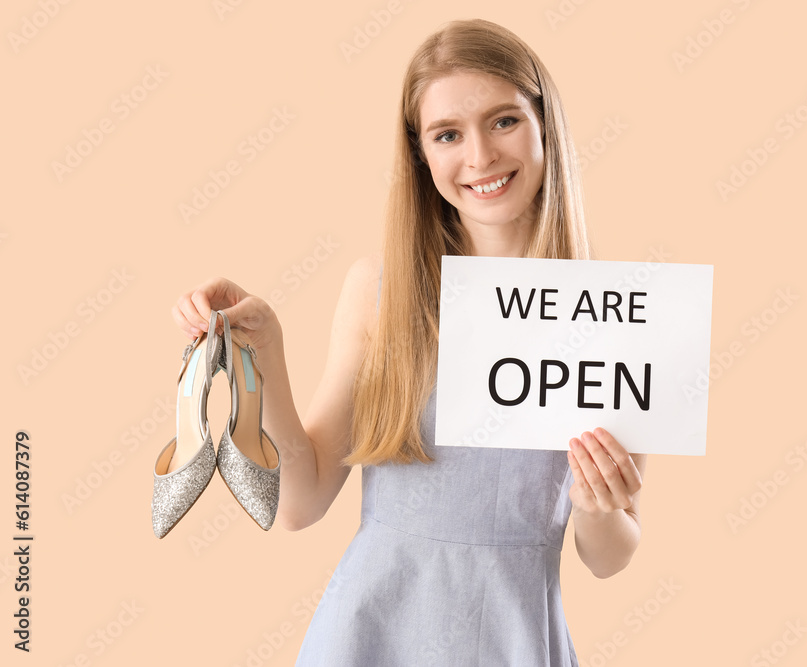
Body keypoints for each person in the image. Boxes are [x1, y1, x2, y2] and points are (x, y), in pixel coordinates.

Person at [171, 18, 647, 666]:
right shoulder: (382, 291)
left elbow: (609, 554)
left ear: (545, 125)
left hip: (514, 635)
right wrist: (266, 355)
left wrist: (597, 504)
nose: (478, 156)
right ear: (421, 154)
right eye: (448, 134)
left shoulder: (616, 316)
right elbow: (300, 502)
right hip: (370, 632)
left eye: (503, 120)